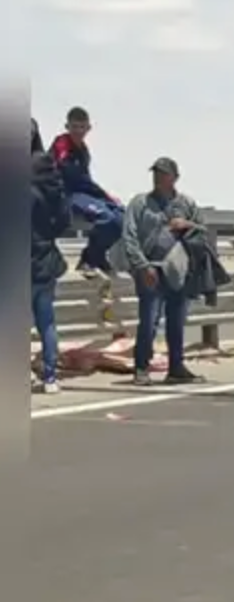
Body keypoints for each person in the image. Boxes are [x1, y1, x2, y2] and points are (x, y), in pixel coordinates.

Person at [120, 157, 205, 386]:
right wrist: (142, 266)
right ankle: (141, 367)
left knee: (177, 321)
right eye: (156, 173)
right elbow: (129, 236)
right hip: (150, 269)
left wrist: (187, 225)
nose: (158, 178)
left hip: (178, 270)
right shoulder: (140, 203)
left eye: (163, 173)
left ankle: (176, 367)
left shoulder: (186, 203)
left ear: (175, 177)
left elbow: (202, 231)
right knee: (149, 321)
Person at [50, 105, 123, 277]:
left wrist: (108, 197)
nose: (78, 131)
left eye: (81, 127)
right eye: (74, 127)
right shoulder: (62, 144)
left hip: (82, 194)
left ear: (88, 128)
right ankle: (87, 259)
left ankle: (97, 255)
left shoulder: (84, 151)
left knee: (121, 216)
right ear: (67, 126)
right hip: (65, 195)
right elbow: (68, 172)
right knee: (107, 218)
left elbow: (86, 181)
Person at [30, 145, 70, 393]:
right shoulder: (57, 191)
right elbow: (65, 221)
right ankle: (50, 377)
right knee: (47, 322)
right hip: (47, 259)